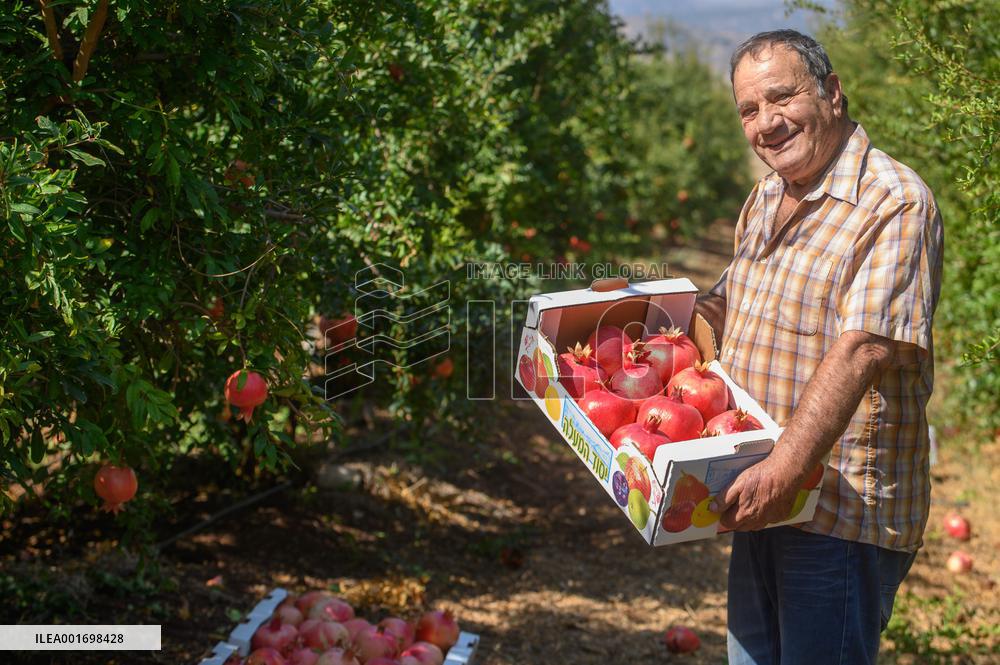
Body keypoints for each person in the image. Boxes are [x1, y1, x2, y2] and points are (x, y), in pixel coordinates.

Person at [694, 30, 944, 664]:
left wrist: (784, 470)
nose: (766, 124)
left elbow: (864, 349)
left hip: (837, 508)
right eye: (749, 110)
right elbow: (729, 302)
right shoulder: (767, 195)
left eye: (782, 97)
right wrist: (630, 323)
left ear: (832, 92)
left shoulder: (893, 201)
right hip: (764, 486)